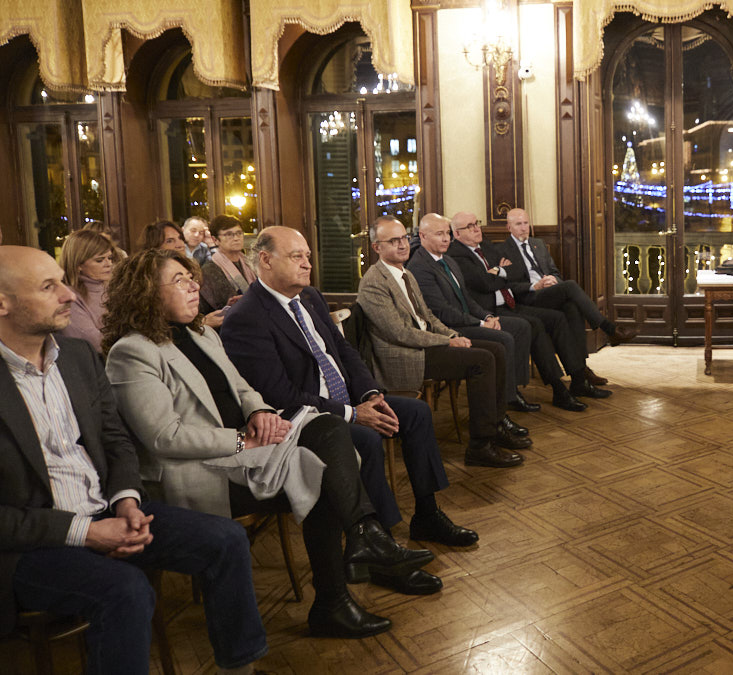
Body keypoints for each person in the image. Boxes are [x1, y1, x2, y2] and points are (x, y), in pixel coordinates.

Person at [103, 249, 433, 637]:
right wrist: (242, 441)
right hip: (201, 469)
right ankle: (340, 590)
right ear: (145, 293)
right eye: (180, 280)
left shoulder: (201, 332)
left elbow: (243, 389)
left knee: (328, 429)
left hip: (247, 448)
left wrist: (259, 412)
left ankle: (362, 541)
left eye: (193, 278)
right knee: (323, 477)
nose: (195, 286)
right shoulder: (132, 351)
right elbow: (165, 437)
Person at [0, 245, 266, 674]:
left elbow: (116, 442)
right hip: (30, 545)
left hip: (108, 510)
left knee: (225, 540)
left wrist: (126, 500)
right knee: (127, 590)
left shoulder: (75, 358)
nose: (70, 294)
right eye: (50, 286)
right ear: (3, 302)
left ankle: (239, 667)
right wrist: (87, 531)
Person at [219, 226, 479, 555]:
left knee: (416, 413)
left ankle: (427, 514)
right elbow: (280, 395)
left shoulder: (309, 298)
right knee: (367, 439)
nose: (307, 264)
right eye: (296, 256)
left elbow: (345, 353)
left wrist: (370, 394)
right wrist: (353, 414)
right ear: (266, 261)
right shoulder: (247, 318)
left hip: (351, 402)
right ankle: (378, 543)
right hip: (306, 421)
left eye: (308, 257)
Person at [358, 216, 530, 467]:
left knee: (495, 349)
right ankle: (480, 446)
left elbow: (427, 316)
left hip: (425, 344)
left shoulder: (404, 272)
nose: (403, 245)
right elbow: (400, 333)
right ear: (377, 247)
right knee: (482, 359)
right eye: (393, 241)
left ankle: (495, 426)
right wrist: (445, 341)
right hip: (407, 355)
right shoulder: (374, 282)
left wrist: (451, 335)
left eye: (404, 238)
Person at [407, 214, 577, 412]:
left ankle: (529, 389)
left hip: (482, 312)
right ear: (423, 236)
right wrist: (480, 322)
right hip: (452, 327)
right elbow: (443, 310)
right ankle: (507, 400)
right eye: (440, 234)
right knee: (507, 336)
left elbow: (473, 295)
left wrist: (485, 316)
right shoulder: (427, 264)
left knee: (531, 324)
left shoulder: (449, 260)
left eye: (447, 233)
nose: (446, 238)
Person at [447, 211, 605, 405]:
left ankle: (578, 378)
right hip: (490, 311)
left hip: (509, 303)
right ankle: (557, 388)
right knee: (533, 325)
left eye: (476, 223)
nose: (476, 228)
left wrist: (496, 272)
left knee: (558, 317)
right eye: (469, 227)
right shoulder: (456, 254)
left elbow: (516, 271)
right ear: (457, 234)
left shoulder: (486, 245)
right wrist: (501, 272)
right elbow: (485, 284)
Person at [496, 207, 639, 353]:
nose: (523, 228)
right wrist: (535, 286)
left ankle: (581, 370)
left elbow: (554, 272)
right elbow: (509, 285)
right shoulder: (502, 250)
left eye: (526, 223)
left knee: (572, 307)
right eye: (518, 224)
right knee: (570, 286)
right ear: (509, 227)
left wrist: (554, 280)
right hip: (528, 297)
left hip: (548, 292)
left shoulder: (538, 244)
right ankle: (609, 329)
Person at [58, 228, 119, 352]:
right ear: (78, 264)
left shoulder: (113, 287)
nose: (108, 264)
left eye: (110, 258)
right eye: (100, 260)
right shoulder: (69, 296)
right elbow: (95, 344)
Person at [199, 215, 255, 315]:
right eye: (229, 234)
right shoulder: (209, 270)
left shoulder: (250, 263)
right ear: (215, 239)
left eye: (239, 233)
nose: (236, 238)